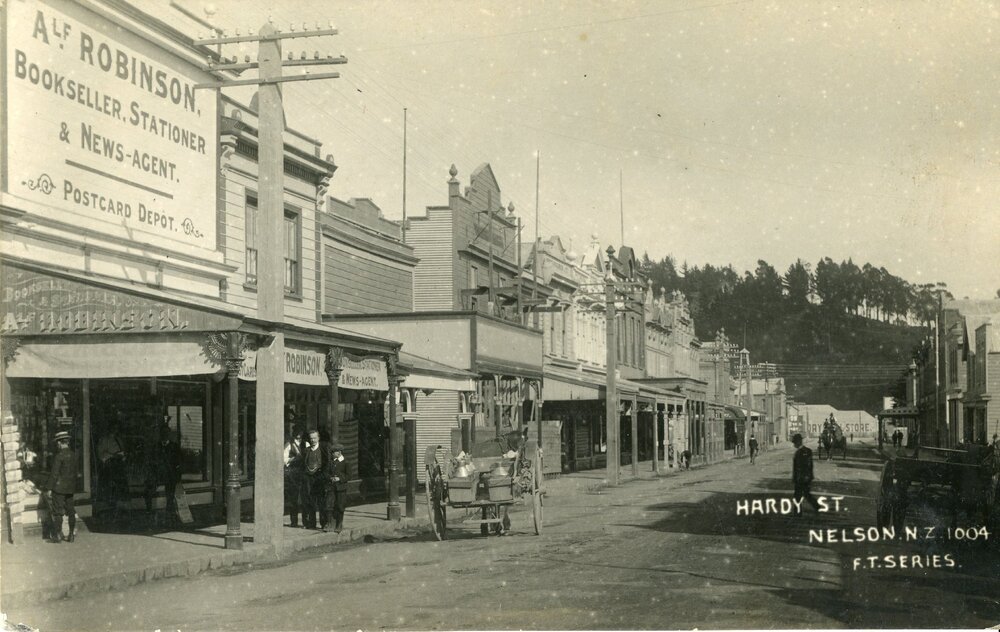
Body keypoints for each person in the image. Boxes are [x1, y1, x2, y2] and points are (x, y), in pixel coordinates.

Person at [145, 424, 181, 524]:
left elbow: (178, 463)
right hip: (158, 474)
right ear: (160, 434)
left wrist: (177, 476)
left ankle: (169, 515)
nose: (165, 435)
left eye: (167, 433)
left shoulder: (174, 447)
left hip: (170, 475)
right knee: (148, 489)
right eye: (163, 433)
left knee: (170, 494)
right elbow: (151, 461)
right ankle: (149, 511)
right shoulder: (156, 447)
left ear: (169, 434)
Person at [45, 431, 78, 543]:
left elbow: (54, 474)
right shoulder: (73, 454)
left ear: (59, 443)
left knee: (58, 511)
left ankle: (58, 535)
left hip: (59, 488)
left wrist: (49, 488)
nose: (57, 445)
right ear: (67, 442)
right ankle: (71, 535)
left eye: (57, 443)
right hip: (70, 488)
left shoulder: (59, 456)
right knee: (71, 510)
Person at [301, 430, 332, 530]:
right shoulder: (306, 450)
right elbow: (303, 464)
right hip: (309, 479)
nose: (313, 440)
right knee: (310, 501)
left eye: (315, 438)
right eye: (311, 438)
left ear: (318, 438)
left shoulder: (323, 448)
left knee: (321, 501)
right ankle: (312, 523)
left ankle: (324, 523)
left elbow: (327, 463)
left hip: (320, 478)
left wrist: (323, 476)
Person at [791, 433, 820, 513]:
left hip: (802, 478)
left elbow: (807, 465)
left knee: (799, 495)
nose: (794, 444)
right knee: (805, 494)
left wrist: (802, 477)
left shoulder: (802, 452)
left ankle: (798, 512)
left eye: (795, 443)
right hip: (803, 477)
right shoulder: (806, 451)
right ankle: (816, 506)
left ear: (798, 442)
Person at [283, 428, 304, 527]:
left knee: (305, 498)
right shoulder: (289, 445)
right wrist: (294, 459)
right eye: (297, 434)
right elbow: (284, 460)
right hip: (293, 474)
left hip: (303, 473)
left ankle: (306, 521)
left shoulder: (306, 444)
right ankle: (294, 521)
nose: (299, 435)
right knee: (293, 499)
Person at [327, 442, 349, 533]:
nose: (332, 454)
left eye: (334, 452)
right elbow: (327, 473)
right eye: (332, 452)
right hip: (332, 487)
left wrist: (339, 478)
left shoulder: (345, 462)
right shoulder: (331, 462)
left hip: (341, 488)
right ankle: (330, 523)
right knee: (330, 505)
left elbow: (349, 476)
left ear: (339, 452)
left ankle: (339, 524)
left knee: (340, 506)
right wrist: (330, 478)